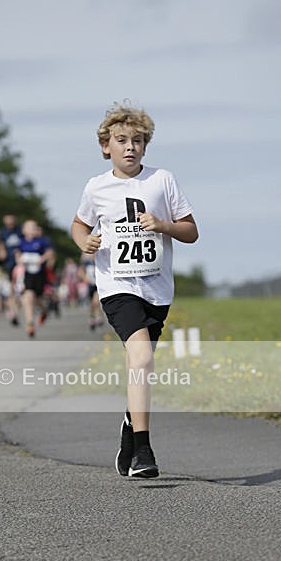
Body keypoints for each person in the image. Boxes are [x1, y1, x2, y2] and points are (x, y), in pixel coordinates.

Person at [71, 101, 198, 478]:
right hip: (116, 285)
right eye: (121, 140)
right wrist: (85, 242)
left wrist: (164, 225)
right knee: (141, 359)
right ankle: (144, 451)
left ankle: (130, 430)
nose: (130, 147)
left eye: (138, 141)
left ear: (146, 146)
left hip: (157, 289)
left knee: (140, 365)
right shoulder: (97, 187)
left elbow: (191, 231)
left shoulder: (162, 181)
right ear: (105, 146)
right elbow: (79, 225)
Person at [16, 219, 54, 338]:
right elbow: (17, 254)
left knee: (37, 299)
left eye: (34, 227)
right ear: (24, 230)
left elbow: (50, 253)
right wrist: (20, 260)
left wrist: (42, 259)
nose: (32, 230)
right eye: (29, 227)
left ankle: (44, 311)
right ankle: (30, 324)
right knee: (28, 297)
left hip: (40, 274)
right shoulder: (21, 242)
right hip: (27, 274)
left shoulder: (41, 242)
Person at [79, 253, 103, 330]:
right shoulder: (86, 263)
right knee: (92, 304)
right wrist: (85, 278)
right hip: (90, 284)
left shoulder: (100, 262)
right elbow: (80, 271)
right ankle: (92, 317)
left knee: (96, 302)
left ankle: (99, 317)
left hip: (97, 284)